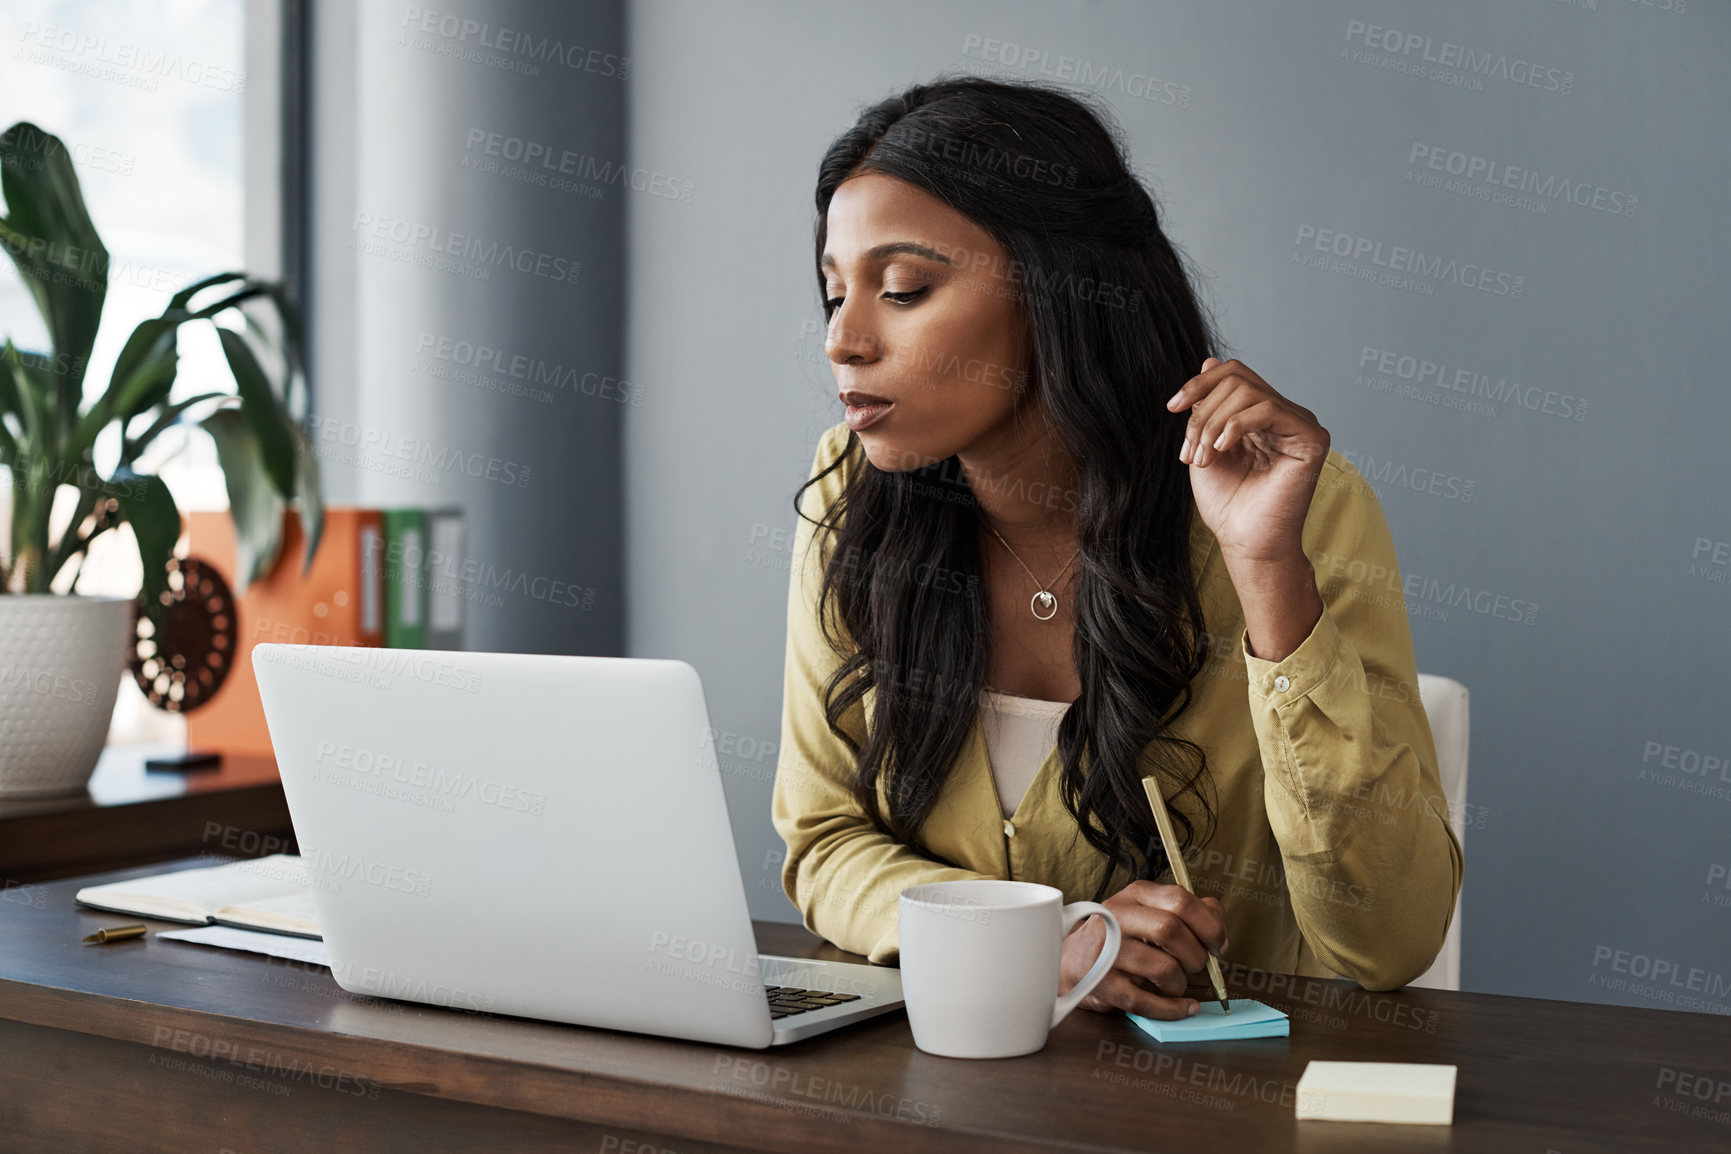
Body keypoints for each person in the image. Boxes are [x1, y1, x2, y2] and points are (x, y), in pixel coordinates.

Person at [772, 76, 1462, 1020]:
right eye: (832, 293)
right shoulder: (854, 494)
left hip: (1217, 1106)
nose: (842, 341)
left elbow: (1389, 939)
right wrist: (1032, 940)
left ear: (1059, 286)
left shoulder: (1296, 510)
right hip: (944, 1080)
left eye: (903, 290)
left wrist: (1267, 575)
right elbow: (823, 842)